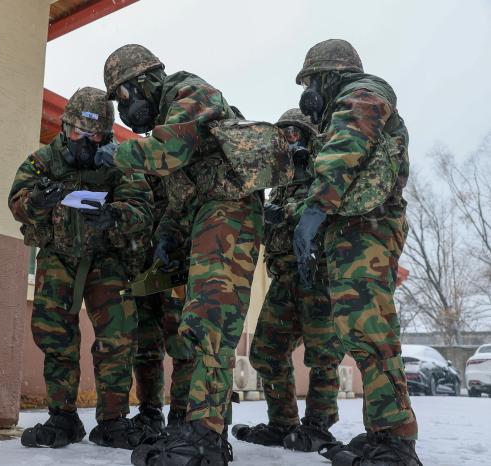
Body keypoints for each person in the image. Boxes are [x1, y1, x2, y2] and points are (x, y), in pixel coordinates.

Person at [98, 44, 262, 466]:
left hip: (230, 210)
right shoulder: (168, 116)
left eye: (121, 96)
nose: (122, 109)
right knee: (196, 324)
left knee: (209, 321)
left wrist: (120, 152)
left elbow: (167, 153)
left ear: (140, 83)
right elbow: (179, 199)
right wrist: (168, 237)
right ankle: (196, 427)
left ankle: (205, 439)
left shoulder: (191, 93)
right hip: (208, 214)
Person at [291, 39, 420, 465]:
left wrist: (315, 207)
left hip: (368, 231)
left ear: (327, 76)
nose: (306, 96)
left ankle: (396, 443)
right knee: (360, 333)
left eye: (309, 83)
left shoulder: (363, 92)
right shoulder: (347, 104)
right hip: (354, 232)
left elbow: (346, 147)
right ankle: (383, 432)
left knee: (371, 332)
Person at [8, 87, 154, 450]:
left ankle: (113, 421)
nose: (83, 141)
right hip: (59, 255)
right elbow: (16, 203)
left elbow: (142, 210)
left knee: (117, 338)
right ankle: (63, 418)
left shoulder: (120, 161)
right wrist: (37, 201)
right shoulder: (43, 160)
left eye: (93, 136)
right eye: (77, 133)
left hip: (107, 259)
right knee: (55, 335)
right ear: (64, 127)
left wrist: (114, 215)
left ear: (106, 135)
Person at [232, 108, 345, 453]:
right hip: (284, 278)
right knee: (265, 351)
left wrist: (290, 214)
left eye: (297, 131)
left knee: (323, 354)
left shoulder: (324, 173)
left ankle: (318, 425)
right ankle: (283, 422)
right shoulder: (279, 179)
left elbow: (331, 210)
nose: (291, 137)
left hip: (317, 276)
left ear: (310, 136)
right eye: (285, 132)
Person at [131, 175, 194, 436]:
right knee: (145, 345)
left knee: (183, 344)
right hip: (144, 271)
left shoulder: (188, 168)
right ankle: (150, 411)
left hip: (177, 269)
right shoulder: (142, 171)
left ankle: (181, 414)